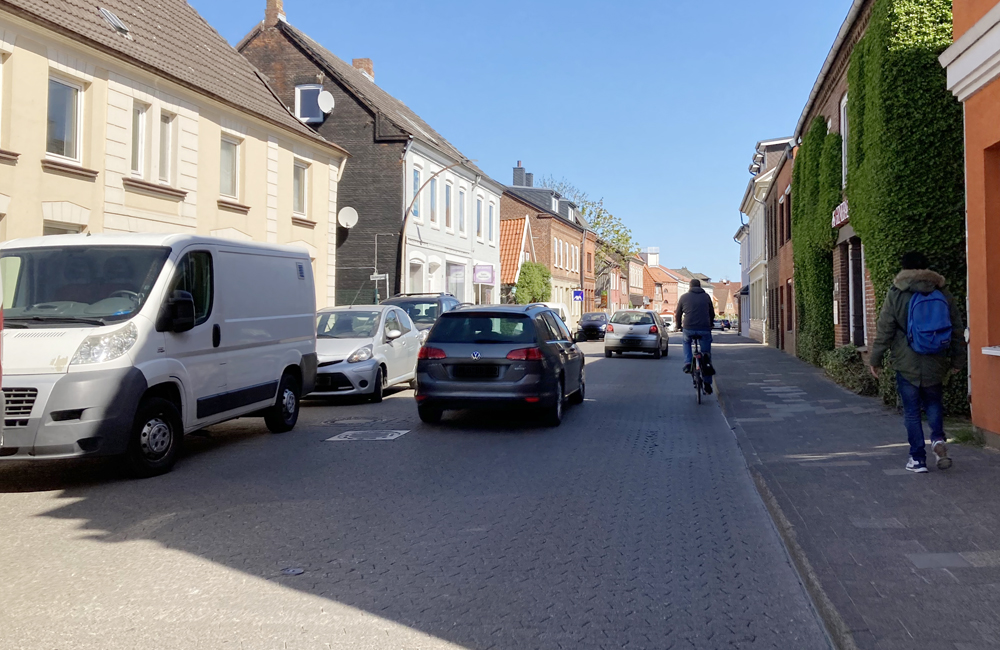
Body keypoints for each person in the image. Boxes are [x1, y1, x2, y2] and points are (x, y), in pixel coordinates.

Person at [870, 252, 966, 474]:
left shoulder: (896, 293)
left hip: (907, 362)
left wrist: (875, 359)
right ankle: (938, 440)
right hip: (936, 359)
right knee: (933, 403)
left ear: (904, 269)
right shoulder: (942, 292)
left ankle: (918, 459)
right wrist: (958, 359)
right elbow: (956, 328)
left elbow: (885, 329)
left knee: (912, 412)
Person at [675, 278, 716, 394]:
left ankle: (688, 363)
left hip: (689, 328)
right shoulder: (706, 297)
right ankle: (707, 383)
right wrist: (711, 323)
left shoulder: (684, 297)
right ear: (700, 286)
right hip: (704, 329)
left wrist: (678, 325)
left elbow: (678, 313)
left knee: (686, 342)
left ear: (690, 286)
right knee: (706, 355)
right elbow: (711, 313)